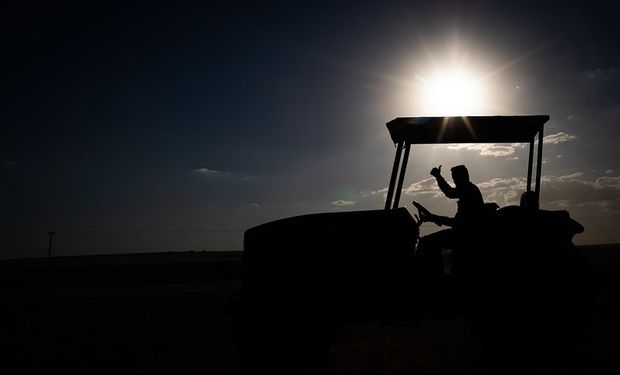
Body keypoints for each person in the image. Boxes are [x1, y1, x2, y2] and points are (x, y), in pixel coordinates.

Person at [413, 164, 484, 275]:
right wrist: (432, 218)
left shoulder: (468, 190)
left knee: (425, 242)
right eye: (453, 179)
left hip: (465, 235)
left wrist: (438, 176)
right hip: (463, 233)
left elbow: (457, 222)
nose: (455, 182)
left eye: (456, 178)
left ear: (463, 177)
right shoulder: (470, 190)